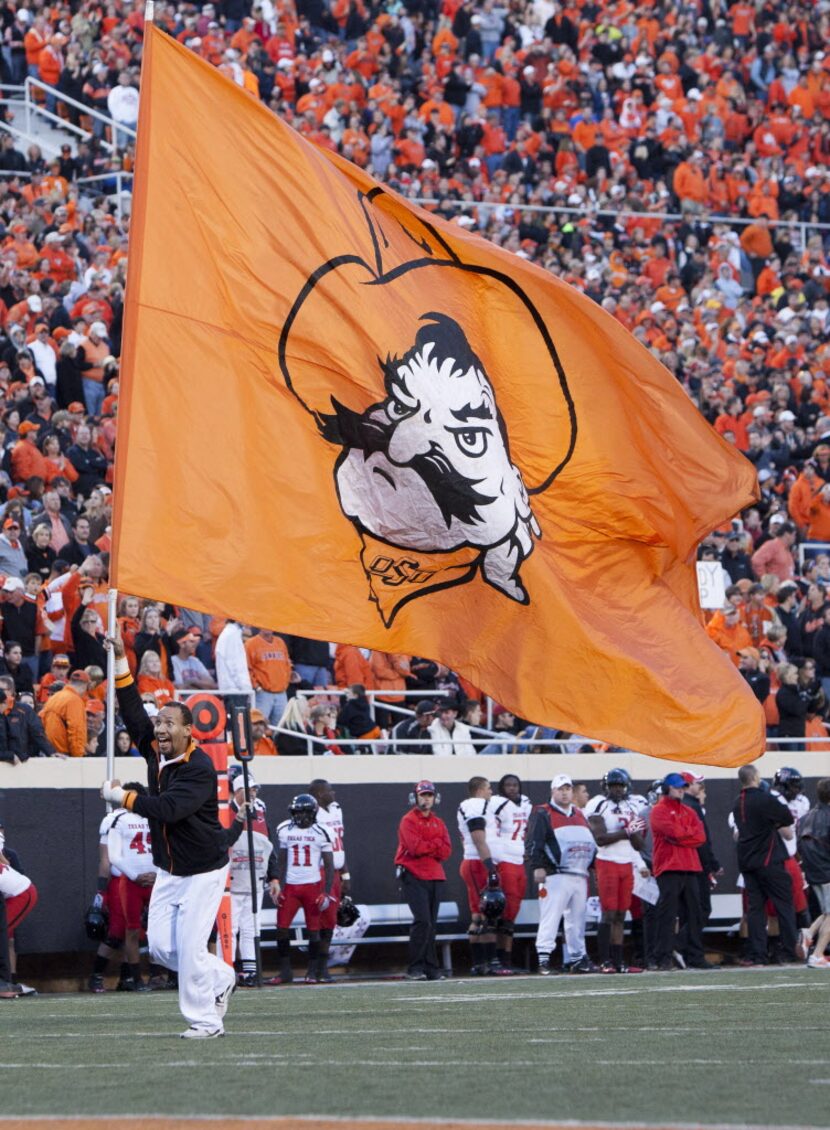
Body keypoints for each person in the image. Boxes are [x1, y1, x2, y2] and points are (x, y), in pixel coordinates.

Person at [101, 631, 237, 1039]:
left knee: (192, 949)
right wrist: (121, 660)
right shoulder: (154, 747)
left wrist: (123, 796)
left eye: (169, 723)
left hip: (203, 870)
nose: (159, 729)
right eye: (158, 721)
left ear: (189, 731)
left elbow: (169, 810)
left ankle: (206, 1021)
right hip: (169, 870)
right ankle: (221, 975)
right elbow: (129, 709)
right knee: (161, 948)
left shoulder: (198, 769)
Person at [528, 773, 597, 976]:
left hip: (579, 874)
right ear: (553, 791)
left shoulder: (579, 813)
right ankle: (544, 959)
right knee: (550, 917)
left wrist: (592, 867)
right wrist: (537, 866)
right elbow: (533, 840)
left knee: (577, 920)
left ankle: (577, 958)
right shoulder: (542, 813)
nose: (565, 792)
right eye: (561, 789)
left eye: (568, 789)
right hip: (555, 874)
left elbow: (589, 842)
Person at [731, 763, 798, 966]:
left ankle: (758, 953)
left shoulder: (737, 802)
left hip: (748, 863)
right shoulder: (764, 798)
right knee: (784, 906)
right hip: (769, 860)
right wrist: (773, 823)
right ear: (755, 778)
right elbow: (786, 818)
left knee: (755, 910)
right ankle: (789, 950)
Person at [585, 768, 648, 973]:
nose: (617, 790)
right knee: (609, 913)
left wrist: (631, 832)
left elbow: (639, 844)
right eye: (613, 786)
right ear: (606, 787)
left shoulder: (633, 806)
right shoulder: (598, 804)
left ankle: (618, 960)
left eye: (620, 785)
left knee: (621, 914)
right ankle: (605, 960)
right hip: (607, 862)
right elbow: (601, 839)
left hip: (626, 862)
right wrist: (627, 832)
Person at [272, 793, 334, 984]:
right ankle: (285, 971)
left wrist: (326, 891)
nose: (300, 816)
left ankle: (312, 971)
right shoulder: (284, 829)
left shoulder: (322, 832)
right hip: (290, 887)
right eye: (297, 812)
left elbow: (329, 864)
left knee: (313, 930)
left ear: (313, 812)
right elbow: (281, 861)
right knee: (281, 928)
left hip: (312, 886)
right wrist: (276, 884)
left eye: (304, 812)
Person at [650, 773, 709, 972]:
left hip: (690, 867)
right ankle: (663, 957)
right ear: (667, 789)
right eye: (677, 787)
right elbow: (673, 833)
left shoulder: (688, 811)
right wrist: (685, 836)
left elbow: (700, 837)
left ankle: (692, 955)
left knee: (696, 913)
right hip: (669, 867)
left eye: (683, 787)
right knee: (668, 915)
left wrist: (681, 837)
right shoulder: (658, 811)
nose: (682, 790)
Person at [394, 780, 451, 981]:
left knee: (431, 924)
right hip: (414, 875)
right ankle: (415, 967)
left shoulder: (439, 822)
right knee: (422, 921)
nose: (426, 799)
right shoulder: (408, 820)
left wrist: (430, 845)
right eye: (422, 795)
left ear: (435, 798)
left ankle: (431, 967)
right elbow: (415, 848)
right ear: (415, 797)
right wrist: (434, 844)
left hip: (436, 876)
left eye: (429, 795)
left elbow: (446, 851)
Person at [228, 773, 277, 987]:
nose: (253, 793)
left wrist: (274, 877)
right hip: (231, 880)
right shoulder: (224, 812)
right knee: (229, 927)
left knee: (251, 927)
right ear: (238, 792)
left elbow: (269, 847)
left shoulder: (260, 812)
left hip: (255, 878)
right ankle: (226, 970)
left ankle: (250, 970)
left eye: (255, 789)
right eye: (249, 790)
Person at [456, 775, 503, 975]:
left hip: (476, 862)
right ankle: (488, 961)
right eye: (489, 788)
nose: (491, 792)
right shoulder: (475, 804)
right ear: (480, 790)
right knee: (487, 913)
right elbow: (477, 837)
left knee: (479, 914)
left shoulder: (473, 806)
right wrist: (490, 867)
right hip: (478, 863)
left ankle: (480, 963)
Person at [491, 773, 533, 973]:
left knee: (513, 911)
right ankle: (499, 959)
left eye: (515, 785)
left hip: (518, 860)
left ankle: (506, 959)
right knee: (504, 911)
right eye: (508, 785)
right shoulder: (496, 804)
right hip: (505, 860)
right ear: (501, 788)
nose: (512, 788)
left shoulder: (525, 803)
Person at [309, 778, 350, 981]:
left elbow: (340, 843)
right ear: (318, 795)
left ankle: (322, 968)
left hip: (334, 872)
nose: (332, 794)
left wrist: (345, 874)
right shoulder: (312, 813)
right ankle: (313, 967)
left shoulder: (336, 809)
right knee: (316, 921)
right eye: (328, 791)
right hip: (317, 871)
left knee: (330, 921)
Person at [797, 778, 830, 968]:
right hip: (826, 869)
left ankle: (809, 933)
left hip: (812, 870)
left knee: (827, 911)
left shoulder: (805, 817)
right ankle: (817, 955)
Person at [0, 675, 55, 761]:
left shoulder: (25, 710)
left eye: (1, 689)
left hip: (21, 763)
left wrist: (51, 752)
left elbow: (37, 733)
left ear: (11, 691)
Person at [245, 628, 291, 726]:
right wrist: (256, 686)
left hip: (281, 693)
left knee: (281, 728)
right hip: (263, 694)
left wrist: (286, 682)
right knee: (259, 726)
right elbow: (247, 668)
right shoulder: (251, 644)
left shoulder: (280, 642)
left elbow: (287, 664)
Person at [40, 668, 90, 757]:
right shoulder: (74, 700)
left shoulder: (54, 697)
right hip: (64, 756)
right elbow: (76, 731)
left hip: (50, 753)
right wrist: (78, 756)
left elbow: (41, 723)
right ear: (85, 686)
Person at [215, 620, 253, 705]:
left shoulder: (228, 633)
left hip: (232, 690)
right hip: (237, 691)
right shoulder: (232, 635)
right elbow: (236, 666)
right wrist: (247, 689)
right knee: (239, 718)